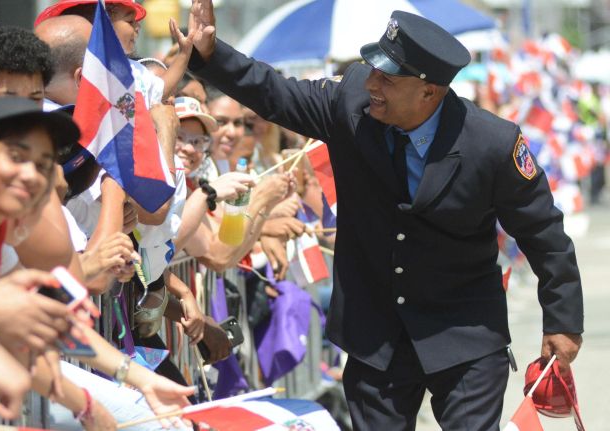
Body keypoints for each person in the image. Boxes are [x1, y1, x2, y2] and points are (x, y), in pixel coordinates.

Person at [186, 3, 584, 430]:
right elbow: (274, 93)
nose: (371, 82)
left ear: (429, 91)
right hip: (376, 334)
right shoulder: (351, 101)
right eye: (372, 69)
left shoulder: (492, 143)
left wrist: (563, 322)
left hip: (464, 332)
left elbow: (543, 231)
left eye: (388, 79)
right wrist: (211, 54)